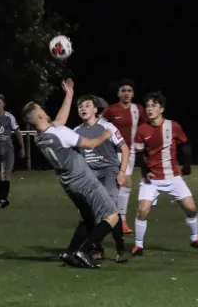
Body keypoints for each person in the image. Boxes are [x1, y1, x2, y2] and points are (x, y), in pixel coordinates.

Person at [22, 79, 128, 268]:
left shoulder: (40, 136)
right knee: (112, 216)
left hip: (68, 184)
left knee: (88, 218)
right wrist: (105, 135)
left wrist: (69, 95)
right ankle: (85, 250)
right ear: (39, 116)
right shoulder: (61, 133)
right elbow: (91, 144)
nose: (44, 110)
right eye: (40, 109)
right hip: (85, 181)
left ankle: (71, 252)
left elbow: (59, 122)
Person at [131, 91, 198, 256]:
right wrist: (145, 171)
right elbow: (138, 154)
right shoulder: (141, 130)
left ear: (162, 109)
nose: (149, 109)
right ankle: (138, 245)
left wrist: (187, 164)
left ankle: (195, 238)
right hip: (151, 179)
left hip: (173, 176)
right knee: (142, 210)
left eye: (154, 105)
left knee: (191, 208)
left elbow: (186, 144)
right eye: (147, 106)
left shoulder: (172, 126)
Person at [74, 94, 130, 259]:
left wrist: (122, 171)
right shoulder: (76, 131)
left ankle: (120, 249)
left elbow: (125, 149)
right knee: (91, 212)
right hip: (90, 175)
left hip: (109, 172)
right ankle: (98, 249)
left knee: (110, 208)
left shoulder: (108, 127)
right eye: (80, 107)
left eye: (87, 105)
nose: (83, 108)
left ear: (95, 109)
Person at [102, 79, 146, 234]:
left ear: (133, 93)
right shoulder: (111, 110)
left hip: (130, 152)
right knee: (120, 184)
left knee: (122, 184)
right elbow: (100, 126)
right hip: (113, 152)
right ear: (118, 93)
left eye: (129, 90)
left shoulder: (138, 109)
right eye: (123, 90)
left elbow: (144, 127)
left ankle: (118, 219)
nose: (126, 93)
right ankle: (116, 218)